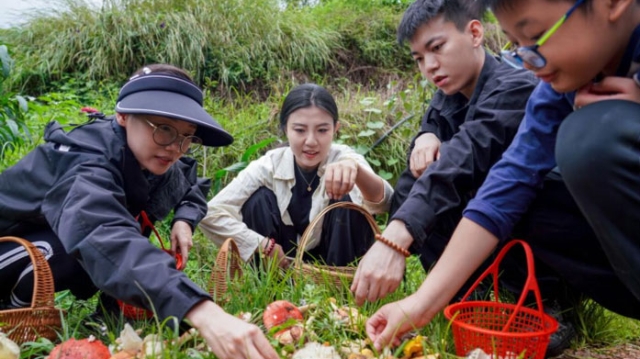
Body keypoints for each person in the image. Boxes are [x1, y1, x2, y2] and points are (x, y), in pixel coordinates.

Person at [365, 0, 640, 355]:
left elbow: (468, 155)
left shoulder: (516, 84)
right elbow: (506, 183)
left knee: (588, 139)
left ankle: (547, 297)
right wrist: (420, 304)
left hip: (580, 234)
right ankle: (481, 301)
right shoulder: (554, 88)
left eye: (538, 36)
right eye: (516, 44)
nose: (528, 60)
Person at [0, 64, 279, 359]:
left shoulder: (156, 156)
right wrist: (200, 310)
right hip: (15, 243)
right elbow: (103, 235)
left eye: (187, 136)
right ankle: (14, 321)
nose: (175, 147)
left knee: (124, 233)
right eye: (164, 129)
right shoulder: (87, 160)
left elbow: (192, 186)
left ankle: (108, 317)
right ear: (123, 115)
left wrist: (184, 220)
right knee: (77, 246)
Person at [352, 0, 546, 306]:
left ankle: (542, 302)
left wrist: (396, 239)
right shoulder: (448, 97)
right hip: (487, 238)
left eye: (437, 47)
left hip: (540, 235)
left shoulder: (515, 86)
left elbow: (461, 159)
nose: (429, 66)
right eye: (419, 58)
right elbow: (418, 177)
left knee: (449, 180)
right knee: (421, 177)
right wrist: (424, 138)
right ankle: (468, 296)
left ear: (475, 33)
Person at [199, 83, 393, 268]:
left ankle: (342, 288)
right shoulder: (270, 165)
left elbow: (386, 203)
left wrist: (356, 171)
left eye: (322, 130)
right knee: (258, 200)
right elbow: (211, 212)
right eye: (299, 130)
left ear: (336, 129)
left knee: (347, 199)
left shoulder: (345, 158)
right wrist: (261, 244)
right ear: (286, 130)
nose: (311, 141)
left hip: (337, 259)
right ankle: (271, 284)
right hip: (283, 260)